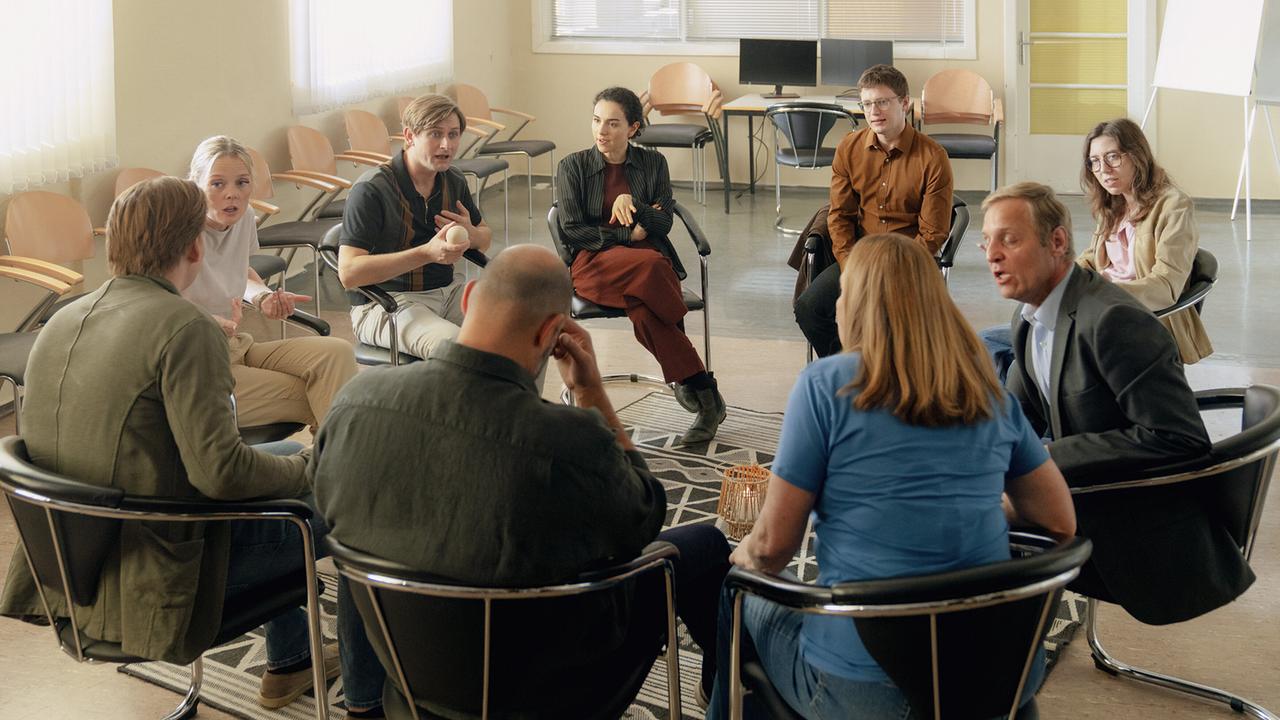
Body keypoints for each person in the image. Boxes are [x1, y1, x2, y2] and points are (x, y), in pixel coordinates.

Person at [312, 244, 730, 717]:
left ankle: (360, 705)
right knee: (707, 545)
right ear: (554, 333)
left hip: (410, 678)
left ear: (467, 299)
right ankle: (726, 692)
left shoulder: (354, 403)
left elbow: (328, 508)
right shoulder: (567, 441)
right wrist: (590, 391)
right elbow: (643, 517)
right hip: (546, 690)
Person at [0, 177, 338, 709]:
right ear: (195, 246)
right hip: (157, 577)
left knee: (280, 459)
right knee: (342, 500)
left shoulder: (61, 320)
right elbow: (221, 475)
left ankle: (290, 660)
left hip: (72, 565)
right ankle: (370, 683)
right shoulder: (185, 328)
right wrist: (316, 471)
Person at [707, 233, 1076, 719]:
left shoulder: (825, 387)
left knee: (738, 585)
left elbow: (774, 548)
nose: (835, 305)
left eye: (841, 295)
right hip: (993, 684)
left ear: (856, 305)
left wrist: (744, 553)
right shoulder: (986, 391)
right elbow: (1059, 522)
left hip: (870, 690)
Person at [982, 182, 1249, 624]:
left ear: (1058, 242)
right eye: (987, 240)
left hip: (1135, 526)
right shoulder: (1028, 317)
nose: (992, 254)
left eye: (1009, 239)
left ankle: (992, 669)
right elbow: (1014, 419)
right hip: (1084, 492)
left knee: (961, 528)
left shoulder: (1113, 320)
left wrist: (1046, 459)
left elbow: (1179, 438)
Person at [556, 86, 726, 444]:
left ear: (633, 128)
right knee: (652, 266)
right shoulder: (572, 166)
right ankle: (701, 385)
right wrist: (624, 237)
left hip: (646, 261)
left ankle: (702, 393)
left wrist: (633, 201)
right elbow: (572, 232)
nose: (602, 131)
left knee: (646, 309)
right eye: (597, 120)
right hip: (595, 263)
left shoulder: (653, 163)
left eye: (613, 123)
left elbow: (663, 224)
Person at [982, 118, 1212, 379]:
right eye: (1095, 161)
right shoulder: (1113, 205)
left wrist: (1096, 294)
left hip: (1136, 323)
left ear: (1137, 155)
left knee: (1023, 365)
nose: (1103, 169)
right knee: (988, 342)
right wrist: (1055, 282)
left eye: (1113, 157)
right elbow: (1091, 260)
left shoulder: (1173, 206)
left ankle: (1036, 416)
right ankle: (1025, 417)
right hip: (1091, 315)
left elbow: (1165, 287)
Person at [183, 135, 357, 428]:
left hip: (237, 345)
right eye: (217, 184)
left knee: (337, 352)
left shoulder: (244, 218)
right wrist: (205, 321)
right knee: (326, 395)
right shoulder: (180, 229)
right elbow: (158, 302)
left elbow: (241, 271)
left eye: (242, 182)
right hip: (200, 360)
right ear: (195, 184)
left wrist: (263, 297)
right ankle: (338, 469)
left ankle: (334, 466)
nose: (232, 194)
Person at [794, 64, 954, 358]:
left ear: (904, 103)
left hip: (910, 262)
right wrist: (851, 266)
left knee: (895, 325)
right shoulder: (848, 148)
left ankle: (896, 384)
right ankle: (853, 372)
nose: (874, 111)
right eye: (867, 104)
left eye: (882, 102)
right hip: (860, 259)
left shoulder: (933, 157)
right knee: (809, 309)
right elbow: (839, 216)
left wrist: (892, 274)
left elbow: (932, 233)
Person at [338, 93, 493, 360]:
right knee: (454, 347)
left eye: (454, 134)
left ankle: (514, 403)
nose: (446, 144)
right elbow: (349, 273)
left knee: (522, 329)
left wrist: (472, 232)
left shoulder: (452, 179)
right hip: (385, 303)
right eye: (435, 134)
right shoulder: (372, 189)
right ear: (410, 136)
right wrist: (426, 253)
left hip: (449, 292)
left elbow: (485, 237)